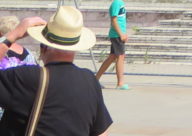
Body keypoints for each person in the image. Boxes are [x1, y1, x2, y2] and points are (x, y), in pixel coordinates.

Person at [0, 7, 112, 136]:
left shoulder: (25, 78)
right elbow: (102, 132)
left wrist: (13, 35)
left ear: (43, 47)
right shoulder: (89, 81)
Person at [94, 0, 133, 90]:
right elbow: (114, 19)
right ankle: (120, 83)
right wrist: (121, 34)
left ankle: (95, 79)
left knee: (112, 57)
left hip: (118, 34)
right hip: (116, 34)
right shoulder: (117, 3)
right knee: (120, 57)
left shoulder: (120, 3)